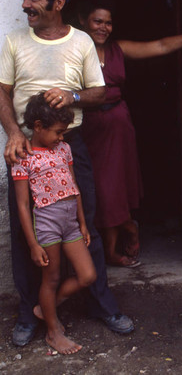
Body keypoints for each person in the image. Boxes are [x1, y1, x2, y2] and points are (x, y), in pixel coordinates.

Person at [0, 0, 134, 348]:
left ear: (58, 3)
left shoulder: (81, 43)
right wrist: (12, 132)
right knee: (28, 236)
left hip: (71, 144)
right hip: (25, 147)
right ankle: (29, 314)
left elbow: (100, 92)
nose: (25, 4)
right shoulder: (14, 42)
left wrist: (73, 96)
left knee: (83, 224)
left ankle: (102, 305)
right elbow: (2, 93)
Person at [77, 0, 182, 267]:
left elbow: (161, 46)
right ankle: (128, 227)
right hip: (88, 128)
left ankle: (111, 251)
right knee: (96, 189)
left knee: (114, 187)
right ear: (83, 21)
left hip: (117, 124)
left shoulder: (119, 49)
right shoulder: (73, 50)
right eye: (97, 21)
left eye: (108, 23)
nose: (103, 28)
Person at [12, 93, 97, 354]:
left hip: (70, 222)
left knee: (87, 275)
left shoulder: (64, 149)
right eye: (58, 132)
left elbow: (74, 187)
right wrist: (33, 244)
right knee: (51, 278)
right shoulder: (23, 157)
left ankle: (46, 307)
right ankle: (52, 331)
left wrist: (82, 223)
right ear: (38, 126)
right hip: (47, 225)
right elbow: (24, 206)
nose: (62, 137)